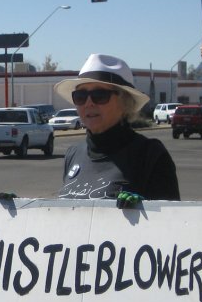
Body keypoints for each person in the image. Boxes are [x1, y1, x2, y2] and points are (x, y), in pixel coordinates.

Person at [53, 53, 180, 205]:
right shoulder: (73, 155)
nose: (88, 103)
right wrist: (19, 209)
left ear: (124, 102)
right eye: (80, 96)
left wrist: (147, 210)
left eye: (99, 95)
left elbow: (171, 222)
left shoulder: (149, 155)